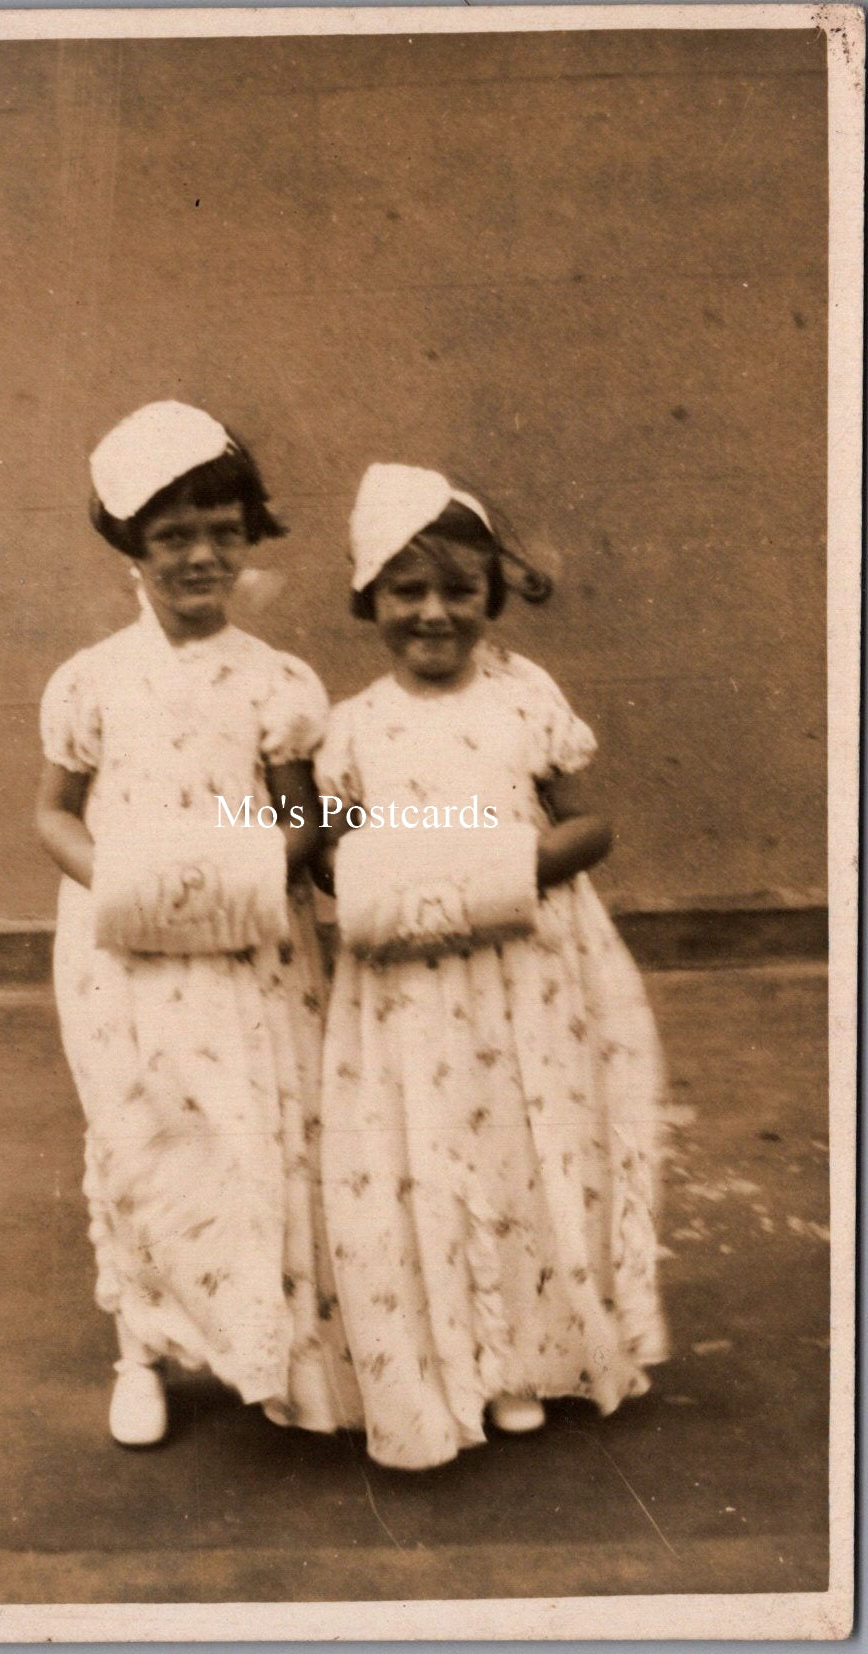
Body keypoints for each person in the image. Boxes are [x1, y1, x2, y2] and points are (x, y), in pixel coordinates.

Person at [312, 462, 668, 1470]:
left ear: (491, 597)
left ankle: (522, 1359)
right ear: (368, 597)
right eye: (405, 591)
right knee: (426, 1153)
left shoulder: (527, 698)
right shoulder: (352, 727)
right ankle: (444, 1356)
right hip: (410, 988)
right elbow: (325, 848)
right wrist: (366, 869)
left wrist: (509, 865)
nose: (433, 613)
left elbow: (589, 821)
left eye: (458, 591)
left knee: (519, 1150)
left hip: (524, 974)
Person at [35, 401, 355, 1447]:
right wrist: (119, 882)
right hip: (122, 953)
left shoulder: (276, 682)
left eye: (222, 529)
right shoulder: (90, 681)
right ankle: (144, 1350)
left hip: (246, 950)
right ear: (132, 546)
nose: (201, 555)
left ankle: (280, 1353)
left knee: (257, 1130)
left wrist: (251, 869)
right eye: (173, 535)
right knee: (143, 1138)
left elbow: (301, 813)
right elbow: (53, 811)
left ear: (249, 535)